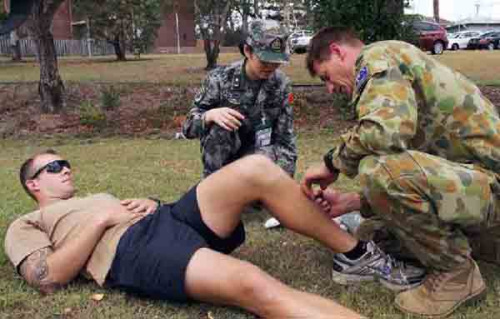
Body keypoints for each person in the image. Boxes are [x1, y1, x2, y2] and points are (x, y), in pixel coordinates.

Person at [5, 150, 424, 318]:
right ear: (33, 185)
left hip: (166, 219)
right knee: (254, 285)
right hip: (132, 249)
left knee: (255, 168)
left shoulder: (97, 195)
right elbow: (46, 277)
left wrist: (150, 202)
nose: (65, 169)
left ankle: (354, 255)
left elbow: (135, 209)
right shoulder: (26, 224)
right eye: (53, 167)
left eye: (66, 162)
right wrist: (101, 220)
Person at [302, 26, 500, 317]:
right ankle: (474, 242)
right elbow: (424, 167)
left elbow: (385, 133)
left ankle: (457, 274)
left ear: (337, 51)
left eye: (326, 77)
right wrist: (352, 202)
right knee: (379, 230)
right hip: (481, 186)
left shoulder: (376, 57)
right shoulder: (398, 60)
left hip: (491, 188)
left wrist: (332, 163)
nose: (330, 88)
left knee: (375, 167)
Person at [182, 19, 297, 229]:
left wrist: (285, 191)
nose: (271, 67)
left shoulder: (281, 85)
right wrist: (209, 115)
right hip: (225, 159)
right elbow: (187, 127)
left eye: (277, 62)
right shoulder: (220, 79)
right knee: (220, 127)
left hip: (260, 156)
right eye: (265, 61)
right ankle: (214, 195)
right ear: (247, 50)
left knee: (277, 151)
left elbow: (285, 140)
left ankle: (256, 197)